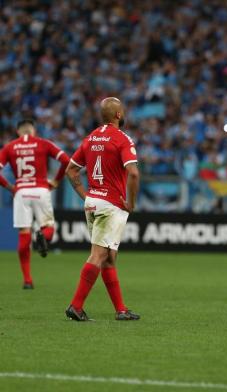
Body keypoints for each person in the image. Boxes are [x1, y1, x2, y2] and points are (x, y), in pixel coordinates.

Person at [65, 97, 140, 322]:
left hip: (92, 203)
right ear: (118, 115)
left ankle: (121, 310)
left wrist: (86, 196)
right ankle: (76, 306)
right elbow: (134, 173)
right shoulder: (122, 139)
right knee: (99, 254)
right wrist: (131, 203)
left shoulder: (90, 138)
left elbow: (71, 170)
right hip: (111, 205)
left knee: (109, 257)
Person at [0, 119, 70, 289]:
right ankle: (43, 238)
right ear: (33, 131)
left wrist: (10, 187)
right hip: (41, 189)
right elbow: (67, 161)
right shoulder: (43, 143)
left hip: (21, 192)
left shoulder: (10, 147)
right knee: (48, 227)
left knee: (24, 233)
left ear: (18, 131)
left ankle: (27, 280)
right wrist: (56, 181)